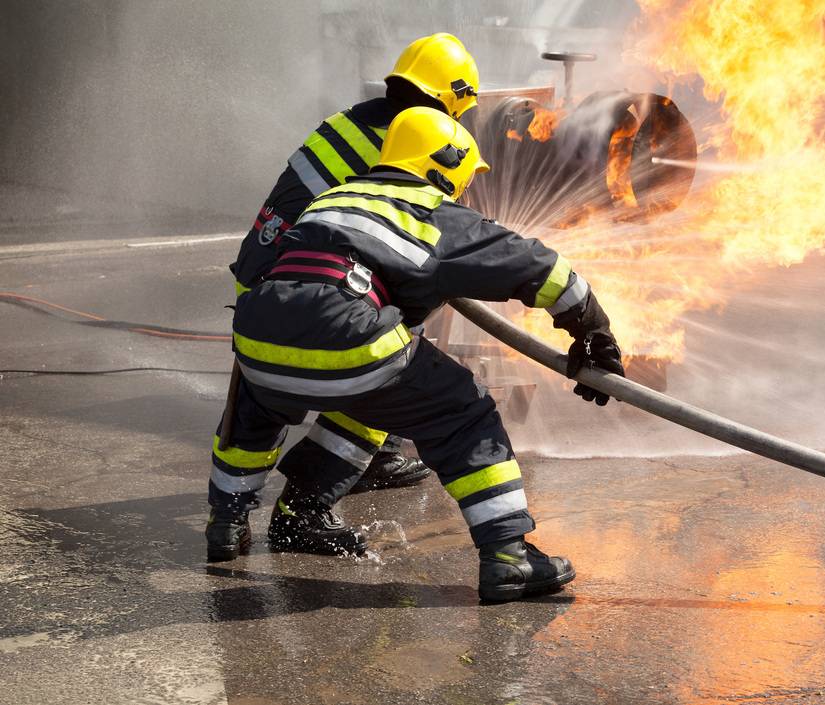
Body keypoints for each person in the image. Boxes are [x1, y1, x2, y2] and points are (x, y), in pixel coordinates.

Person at [219, 106, 626, 601]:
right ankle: (508, 556)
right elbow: (539, 268)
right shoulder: (429, 211)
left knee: (271, 416)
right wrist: (593, 332)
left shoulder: (336, 195)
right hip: (347, 334)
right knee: (463, 411)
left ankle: (231, 524)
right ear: (442, 166)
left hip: (259, 338)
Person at [207, 34, 481, 561]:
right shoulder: (406, 142)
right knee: (385, 366)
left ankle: (227, 521)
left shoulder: (348, 122)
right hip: (311, 286)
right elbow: (423, 230)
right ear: (450, 99)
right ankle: (305, 510)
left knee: (256, 402)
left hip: (259, 284)